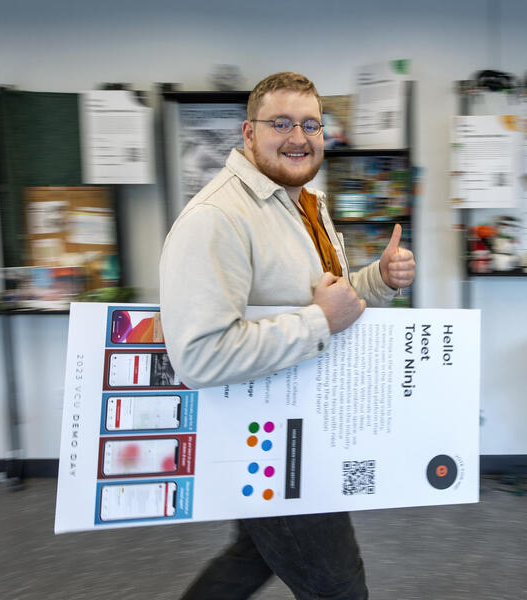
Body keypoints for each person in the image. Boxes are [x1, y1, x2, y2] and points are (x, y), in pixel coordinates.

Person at [159, 72, 416, 600]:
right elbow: (198, 357)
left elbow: (326, 297)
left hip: (304, 425)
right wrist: (319, 321)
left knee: (252, 556)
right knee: (339, 588)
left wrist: (378, 280)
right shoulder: (216, 217)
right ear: (248, 132)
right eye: (280, 123)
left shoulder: (303, 201)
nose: (298, 137)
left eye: (310, 125)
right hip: (279, 442)